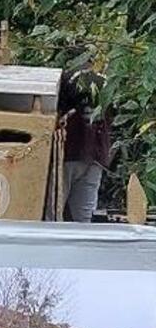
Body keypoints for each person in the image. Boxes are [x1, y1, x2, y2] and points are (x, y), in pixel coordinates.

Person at [59, 65, 112, 223]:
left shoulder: (69, 77)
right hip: (95, 155)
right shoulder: (109, 79)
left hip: (68, 152)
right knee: (85, 218)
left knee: (53, 213)